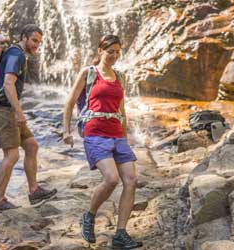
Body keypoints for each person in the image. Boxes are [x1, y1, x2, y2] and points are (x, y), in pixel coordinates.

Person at [62, 34, 143, 249]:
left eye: (117, 52)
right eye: (110, 52)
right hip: (95, 133)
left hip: (117, 135)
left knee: (131, 180)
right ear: (100, 51)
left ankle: (121, 234)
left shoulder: (120, 77)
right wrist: (66, 130)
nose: (114, 56)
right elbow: (69, 103)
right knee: (111, 179)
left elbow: (122, 110)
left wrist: (124, 138)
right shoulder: (88, 73)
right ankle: (89, 216)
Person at [0, 24, 57, 212]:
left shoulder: (16, 53)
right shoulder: (16, 54)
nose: (37, 45)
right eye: (34, 40)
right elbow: (8, 84)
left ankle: (34, 191)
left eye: (39, 42)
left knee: (31, 145)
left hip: (6, 109)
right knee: (12, 154)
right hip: (4, 109)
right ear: (24, 37)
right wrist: (19, 113)